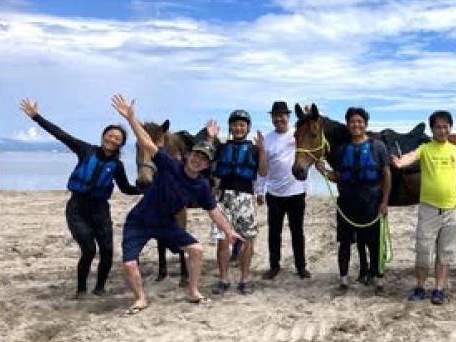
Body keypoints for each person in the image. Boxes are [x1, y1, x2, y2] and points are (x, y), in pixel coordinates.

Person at [111, 94, 242, 314]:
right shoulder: (169, 164)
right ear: (189, 155)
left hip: (165, 223)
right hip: (139, 221)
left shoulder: (200, 186)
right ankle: (140, 298)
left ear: (205, 165)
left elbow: (214, 211)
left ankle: (193, 291)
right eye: (196, 155)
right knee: (129, 263)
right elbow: (147, 142)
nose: (197, 160)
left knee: (197, 250)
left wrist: (229, 231)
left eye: (203, 159)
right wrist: (132, 119)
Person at [19, 98, 140, 298]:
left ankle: (100, 288)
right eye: (110, 136)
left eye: (117, 138)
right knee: (89, 250)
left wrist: (146, 190)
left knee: (108, 251)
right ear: (103, 136)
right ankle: (81, 290)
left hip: (100, 209)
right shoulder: (85, 150)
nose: (112, 140)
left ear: (121, 144)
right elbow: (60, 134)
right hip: (77, 208)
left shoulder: (117, 166)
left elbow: (126, 188)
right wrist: (36, 117)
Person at [316, 107, 391, 291]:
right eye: (352, 122)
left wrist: (384, 201)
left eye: (359, 121)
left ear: (365, 124)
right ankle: (343, 278)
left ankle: (378, 276)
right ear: (348, 125)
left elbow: (386, 174)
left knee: (374, 241)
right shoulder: (342, 150)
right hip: (347, 202)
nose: (356, 125)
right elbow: (338, 176)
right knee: (345, 242)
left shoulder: (377, 147)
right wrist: (323, 171)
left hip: (371, 200)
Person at [391, 110, 456, 305]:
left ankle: (438, 288)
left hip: (452, 208)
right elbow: (411, 156)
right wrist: (400, 162)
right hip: (429, 208)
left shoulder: (454, 149)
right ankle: (420, 287)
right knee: (423, 250)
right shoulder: (425, 148)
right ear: (432, 130)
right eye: (438, 127)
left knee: (445, 252)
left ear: (450, 128)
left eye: (445, 126)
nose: (442, 130)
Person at [206, 110, 267, 296]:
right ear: (230, 127)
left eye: (242, 124)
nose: (238, 128)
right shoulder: (221, 147)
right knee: (223, 240)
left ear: (247, 127)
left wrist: (263, 149)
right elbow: (205, 158)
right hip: (224, 196)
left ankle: (245, 278)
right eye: (235, 124)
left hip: (246, 196)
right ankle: (223, 279)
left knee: (248, 238)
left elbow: (263, 172)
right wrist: (210, 138)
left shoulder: (254, 149)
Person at [257, 101, 310, 280]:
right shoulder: (267, 139)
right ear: (272, 118)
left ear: (288, 117)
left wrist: (309, 116)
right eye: (275, 115)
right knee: (274, 233)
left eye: (282, 115)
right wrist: (259, 190)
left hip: (296, 192)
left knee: (297, 232)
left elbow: (313, 136)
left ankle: (301, 267)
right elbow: (263, 169)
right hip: (274, 194)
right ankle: (274, 266)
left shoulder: (297, 135)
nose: (279, 118)